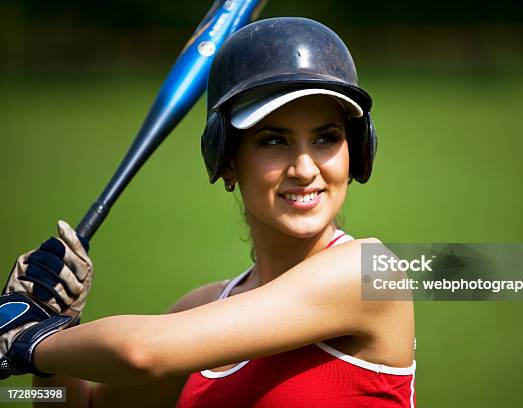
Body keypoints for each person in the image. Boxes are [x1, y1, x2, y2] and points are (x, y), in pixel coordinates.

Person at [0, 17, 416, 407]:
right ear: (227, 161)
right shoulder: (203, 307)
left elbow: (141, 353)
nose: (305, 169)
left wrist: (29, 342)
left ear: (358, 152)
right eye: (274, 141)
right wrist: (55, 337)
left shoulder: (370, 272)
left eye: (327, 138)